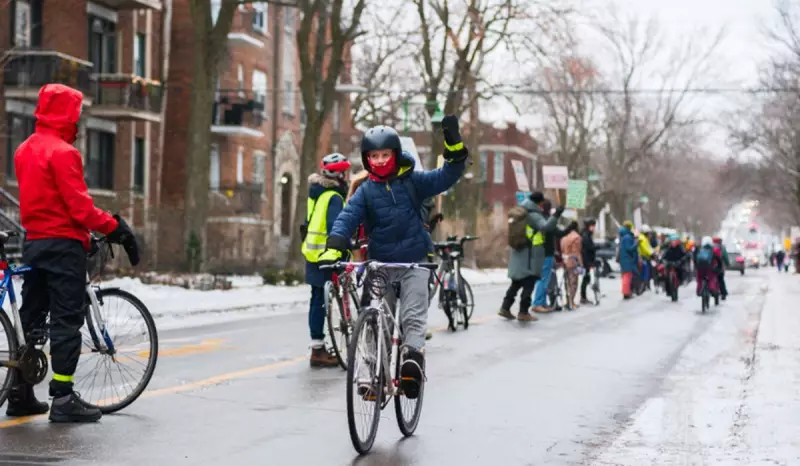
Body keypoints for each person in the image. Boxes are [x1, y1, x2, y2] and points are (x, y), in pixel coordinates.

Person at [11, 84, 138, 423]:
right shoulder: (64, 153)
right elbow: (80, 208)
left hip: (34, 242)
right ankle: (64, 397)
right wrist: (115, 228)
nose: (80, 123)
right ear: (67, 115)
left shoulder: (24, 150)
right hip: (64, 246)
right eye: (78, 115)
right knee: (67, 320)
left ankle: (20, 391)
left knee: (33, 316)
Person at [317, 117, 468, 399]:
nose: (380, 160)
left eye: (385, 155)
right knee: (376, 323)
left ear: (395, 154)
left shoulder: (414, 181)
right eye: (374, 156)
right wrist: (336, 243)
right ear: (366, 158)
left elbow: (446, 176)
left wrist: (454, 147)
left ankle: (411, 365)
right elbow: (347, 217)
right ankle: (372, 378)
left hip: (415, 263)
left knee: (412, 317)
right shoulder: (366, 191)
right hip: (381, 264)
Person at [301, 153, 351, 368]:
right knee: (326, 301)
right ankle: (321, 350)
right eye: (345, 173)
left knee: (317, 299)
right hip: (326, 255)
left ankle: (317, 346)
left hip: (312, 253)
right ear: (339, 174)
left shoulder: (317, 193)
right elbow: (335, 229)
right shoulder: (334, 197)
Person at [500, 193, 563, 321]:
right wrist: (556, 215)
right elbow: (546, 227)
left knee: (516, 282)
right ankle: (523, 312)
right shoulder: (533, 215)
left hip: (519, 252)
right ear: (539, 203)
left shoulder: (520, 213)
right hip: (530, 255)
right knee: (529, 283)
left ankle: (505, 307)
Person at [531, 199, 566, 313]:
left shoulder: (537, 219)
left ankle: (542, 302)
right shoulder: (546, 221)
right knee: (543, 280)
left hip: (539, 254)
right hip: (546, 254)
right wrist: (570, 226)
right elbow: (559, 233)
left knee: (542, 280)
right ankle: (537, 303)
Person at [560, 221, 583, 309]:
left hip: (565, 260)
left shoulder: (564, 237)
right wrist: (580, 264)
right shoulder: (576, 237)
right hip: (573, 261)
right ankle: (571, 301)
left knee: (567, 282)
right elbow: (577, 252)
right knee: (573, 282)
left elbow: (562, 249)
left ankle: (567, 300)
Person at [618, 221, 640, 299]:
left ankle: (626, 292)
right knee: (627, 276)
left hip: (625, 259)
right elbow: (629, 249)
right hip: (627, 259)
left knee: (626, 276)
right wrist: (636, 243)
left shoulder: (624, 236)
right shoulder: (627, 237)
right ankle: (626, 293)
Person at [580, 218, 598, 305]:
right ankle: (583, 297)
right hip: (586, 260)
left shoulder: (587, 234)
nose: (594, 228)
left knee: (587, 278)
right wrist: (597, 247)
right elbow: (589, 247)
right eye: (593, 226)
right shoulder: (585, 235)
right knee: (586, 278)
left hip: (588, 259)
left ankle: (583, 296)